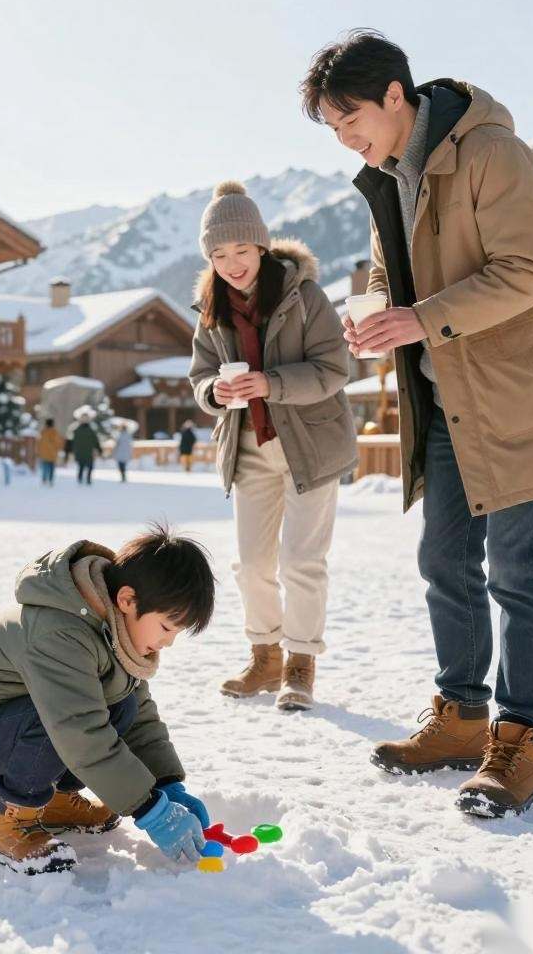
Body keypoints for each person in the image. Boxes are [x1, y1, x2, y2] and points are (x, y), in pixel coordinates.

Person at [300, 30, 533, 816]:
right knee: (445, 563)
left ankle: (521, 743)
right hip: (449, 402)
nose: (345, 139)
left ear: (395, 98)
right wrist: (377, 311)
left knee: (518, 572)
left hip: (522, 400)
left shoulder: (492, 154)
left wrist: (420, 320)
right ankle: (461, 718)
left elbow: (529, 270)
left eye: (349, 120)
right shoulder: (388, 178)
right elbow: (390, 272)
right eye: (333, 130)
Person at [0, 525, 216, 874]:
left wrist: (167, 784)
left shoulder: (116, 632)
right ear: (127, 600)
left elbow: (140, 719)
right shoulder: (61, 633)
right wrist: (151, 809)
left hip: (12, 711)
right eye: (167, 627)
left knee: (121, 705)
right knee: (65, 721)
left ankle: (57, 803)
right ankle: (6, 822)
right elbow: (78, 731)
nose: (168, 643)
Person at [189, 182, 357, 711]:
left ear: (261, 247)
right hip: (248, 449)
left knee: (302, 561)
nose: (232, 264)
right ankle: (264, 659)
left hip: (310, 445)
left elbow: (335, 369)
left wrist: (270, 384)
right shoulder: (210, 307)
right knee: (252, 564)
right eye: (219, 255)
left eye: (241, 251)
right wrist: (215, 391)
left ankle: (300, 664)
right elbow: (199, 378)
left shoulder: (304, 296)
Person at [70, 413, 102, 485]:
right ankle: (86, 479)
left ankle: (82, 478)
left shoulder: (78, 431)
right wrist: (99, 449)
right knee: (87, 467)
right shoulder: (89, 431)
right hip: (87, 453)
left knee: (82, 466)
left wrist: (73, 451)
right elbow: (96, 441)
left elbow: (73, 442)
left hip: (83, 453)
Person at [36, 418, 63, 486]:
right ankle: (50, 480)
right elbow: (58, 442)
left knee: (44, 467)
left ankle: (44, 479)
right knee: (51, 468)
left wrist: (39, 451)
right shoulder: (55, 432)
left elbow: (39, 442)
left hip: (44, 454)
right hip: (52, 454)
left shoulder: (43, 432)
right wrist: (58, 449)